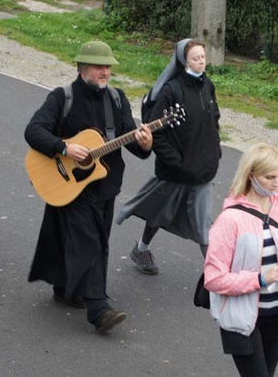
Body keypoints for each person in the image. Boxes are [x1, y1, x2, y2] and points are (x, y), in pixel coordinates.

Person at [25, 40, 153, 334]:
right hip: (72, 188)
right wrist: (65, 148)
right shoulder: (62, 98)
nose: (105, 71)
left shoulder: (117, 99)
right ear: (83, 68)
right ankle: (99, 309)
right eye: (99, 66)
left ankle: (66, 289)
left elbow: (129, 141)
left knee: (97, 242)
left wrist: (145, 145)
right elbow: (33, 131)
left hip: (105, 186)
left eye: (108, 67)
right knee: (90, 244)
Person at [204, 143, 278, 377]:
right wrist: (260, 279)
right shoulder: (230, 219)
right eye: (270, 177)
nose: (277, 183)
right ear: (251, 176)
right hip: (242, 319)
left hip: (277, 314)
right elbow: (213, 279)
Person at [117, 38, 221, 274]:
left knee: (203, 222)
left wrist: (215, 152)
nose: (201, 62)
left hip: (203, 172)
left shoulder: (208, 86)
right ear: (184, 61)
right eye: (196, 58)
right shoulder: (170, 91)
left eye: (203, 57)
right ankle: (142, 249)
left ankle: (216, 273)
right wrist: (179, 164)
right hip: (176, 172)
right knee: (159, 211)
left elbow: (214, 119)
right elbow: (156, 133)